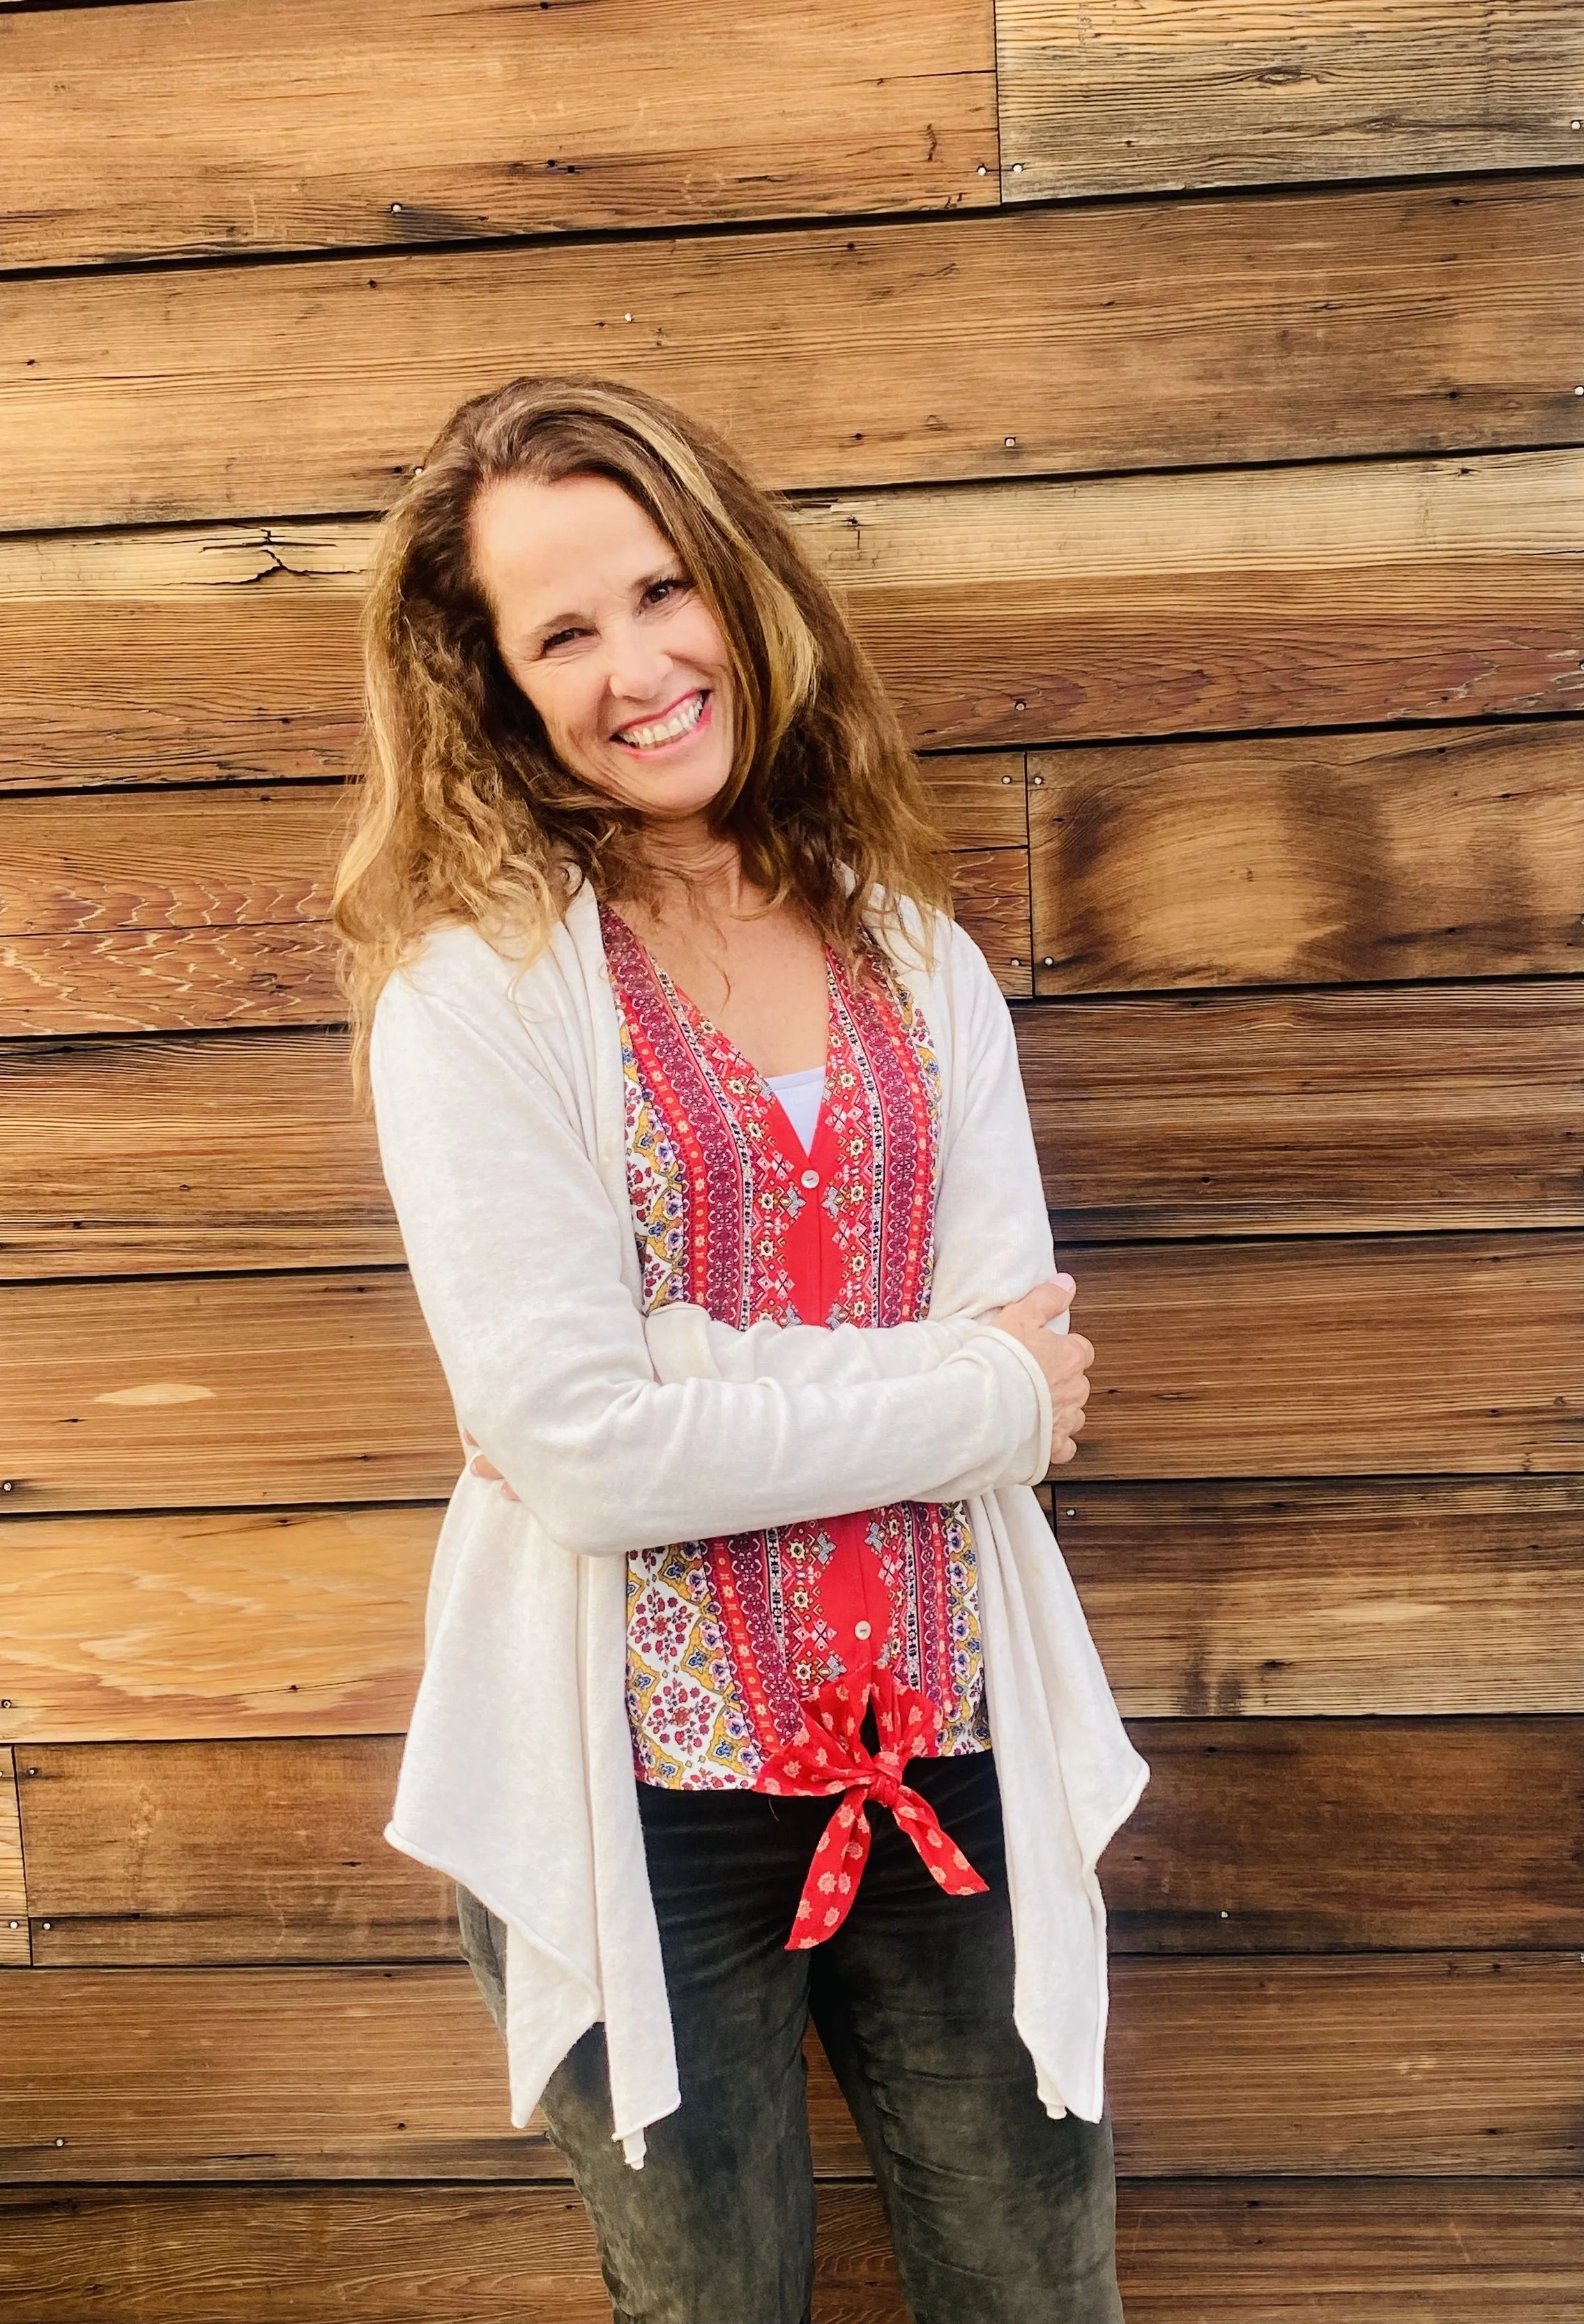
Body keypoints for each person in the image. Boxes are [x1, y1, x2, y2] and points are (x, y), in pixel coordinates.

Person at [334, 374, 1148, 2324]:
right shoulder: (474, 1003)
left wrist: (694, 1365)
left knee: (1038, 2291)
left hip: (948, 1742)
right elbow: (586, 1447)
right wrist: (959, 1397)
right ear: (494, 682)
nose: (634, 663)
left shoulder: (908, 949)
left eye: (657, 588)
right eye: (560, 630)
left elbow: (1020, 1382)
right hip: (635, 1781)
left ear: (738, 589)